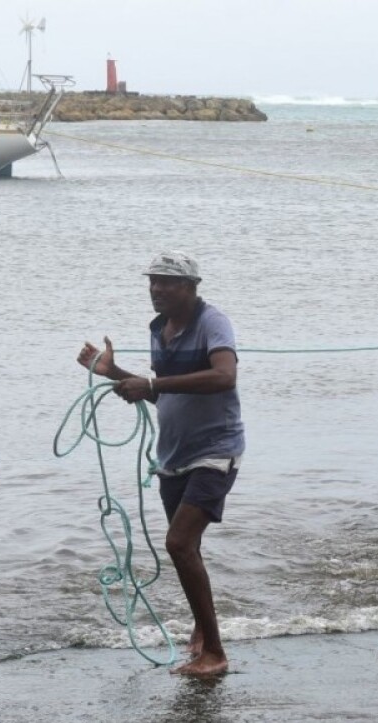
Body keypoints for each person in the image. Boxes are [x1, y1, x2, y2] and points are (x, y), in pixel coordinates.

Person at [77, 251, 244, 677]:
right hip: (173, 457)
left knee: (178, 543)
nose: (156, 288)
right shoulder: (160, 329)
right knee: (188, 547)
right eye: (153, 280)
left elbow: (224, 376)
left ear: (191, 286)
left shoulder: (212, 322)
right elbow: (163, 393)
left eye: (167, 281)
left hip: (215, 451)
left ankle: (215, 653)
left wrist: (150, 382)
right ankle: (202, 631)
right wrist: (116, 373)